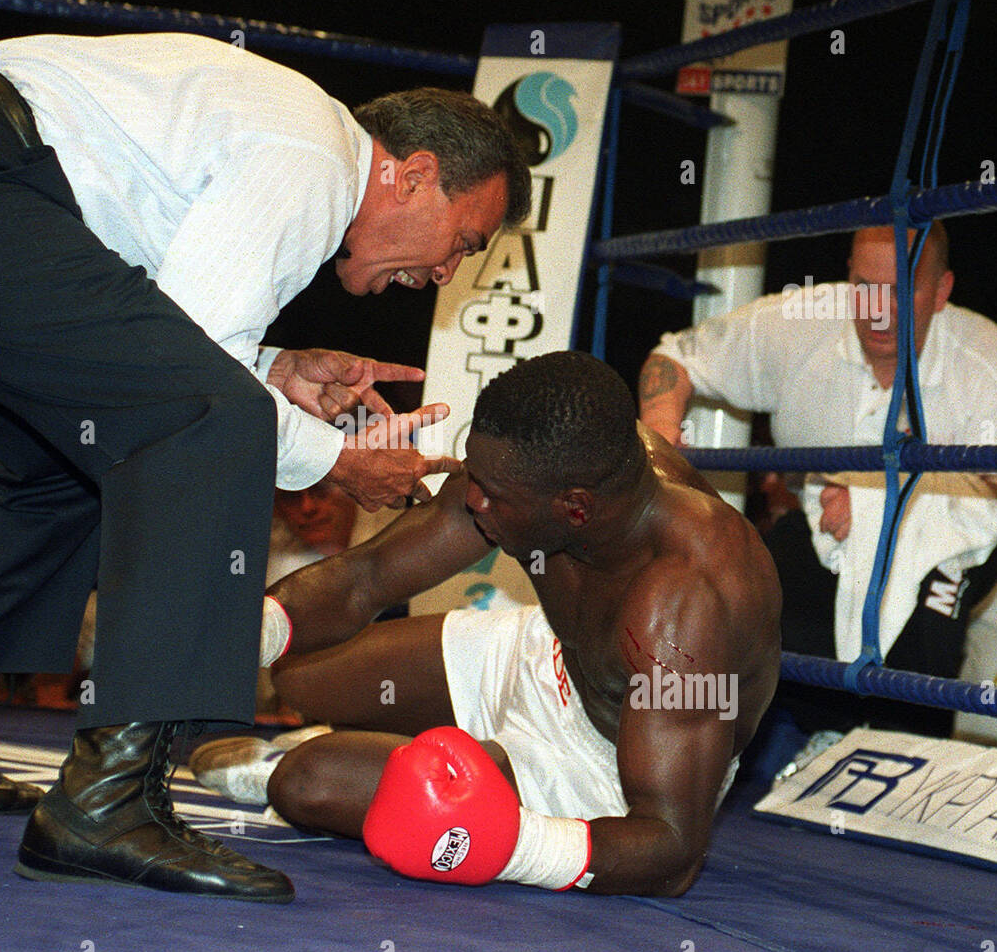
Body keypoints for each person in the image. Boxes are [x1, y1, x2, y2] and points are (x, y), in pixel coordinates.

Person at [0, 32, 531, 905]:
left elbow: (159, 339)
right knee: (203, 426)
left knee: (66, 456)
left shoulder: (283, 138)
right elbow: (195, 393)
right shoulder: (313, 160)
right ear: (411, 173)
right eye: (463, 241)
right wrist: (340, 460)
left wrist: (277, 366)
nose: (445, 271)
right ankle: (107, 802)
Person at [194, 352, 782, 897]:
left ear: (574, 509)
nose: (471, 499)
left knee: (309, 783)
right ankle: (424, 752)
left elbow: (673, 850)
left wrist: (512, 843)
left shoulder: (688, 602)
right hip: (548, 649)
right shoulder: (555, 463)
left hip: (606, 767)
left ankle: (403, 763)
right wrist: (210, 644)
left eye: (490, 492)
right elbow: (364, 579)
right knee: (302, 676)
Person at [636, 222, 997, 756]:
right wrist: (660, 435)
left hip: (950, 546)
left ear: (941, 292)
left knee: (921, 658)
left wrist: (886, 498)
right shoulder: (798, 322)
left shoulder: (986, 363)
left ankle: (892, 793)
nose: (877, 308)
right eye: (864, 286)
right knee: (744, 611)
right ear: (847, 275)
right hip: (818, 521)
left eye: (900, 291)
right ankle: (748, 766)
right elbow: (675, 357)